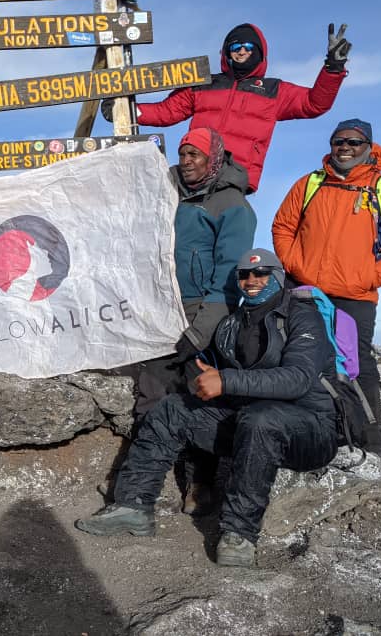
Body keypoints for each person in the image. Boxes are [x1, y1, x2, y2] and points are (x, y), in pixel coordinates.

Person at [75, 249, 339, 568]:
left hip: (309, 431)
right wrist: (206, 374)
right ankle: (132, 506)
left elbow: (297, 379)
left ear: (279, 277)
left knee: (261, 419)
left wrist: (225, 380)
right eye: (244, 275)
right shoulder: (233, 323)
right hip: (247, 422)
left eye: (262, 273)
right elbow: (216, 370)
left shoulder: (300, 315)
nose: (252, 280)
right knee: (173, 409)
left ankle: (239, 534)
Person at [272, 119, 381, 460]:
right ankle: (317, 436)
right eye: (339, 141)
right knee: (302, 359)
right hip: (305, 290)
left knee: (355, 367)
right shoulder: (309, 184)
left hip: (355, 296)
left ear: (368, 145)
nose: (345, 148)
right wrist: (297, 267)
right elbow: (283, 226)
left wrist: (368, 277)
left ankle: (371, 442)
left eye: (354, 142)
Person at [133, 127, 256, 514]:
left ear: (213, 158)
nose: (186, 162)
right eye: (183, 154)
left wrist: (201, 332)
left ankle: (199, 482)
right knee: (151, 393)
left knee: (199, 397)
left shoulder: (232, 205)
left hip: (202, 311)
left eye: (195, 155)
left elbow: (228, 278)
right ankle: (140, 483)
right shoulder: (167, 194)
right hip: (162, 307)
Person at [102, 23, 350, 192]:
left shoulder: (274, 90)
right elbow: (168, 111)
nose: (242, 51)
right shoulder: (205, 84)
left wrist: (333, 68)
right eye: (235, 47)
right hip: (196, 172)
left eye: (249, 47)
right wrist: (127, 112)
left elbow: (314, 103)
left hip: (234, 178)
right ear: (227, 52)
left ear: (260, 53)